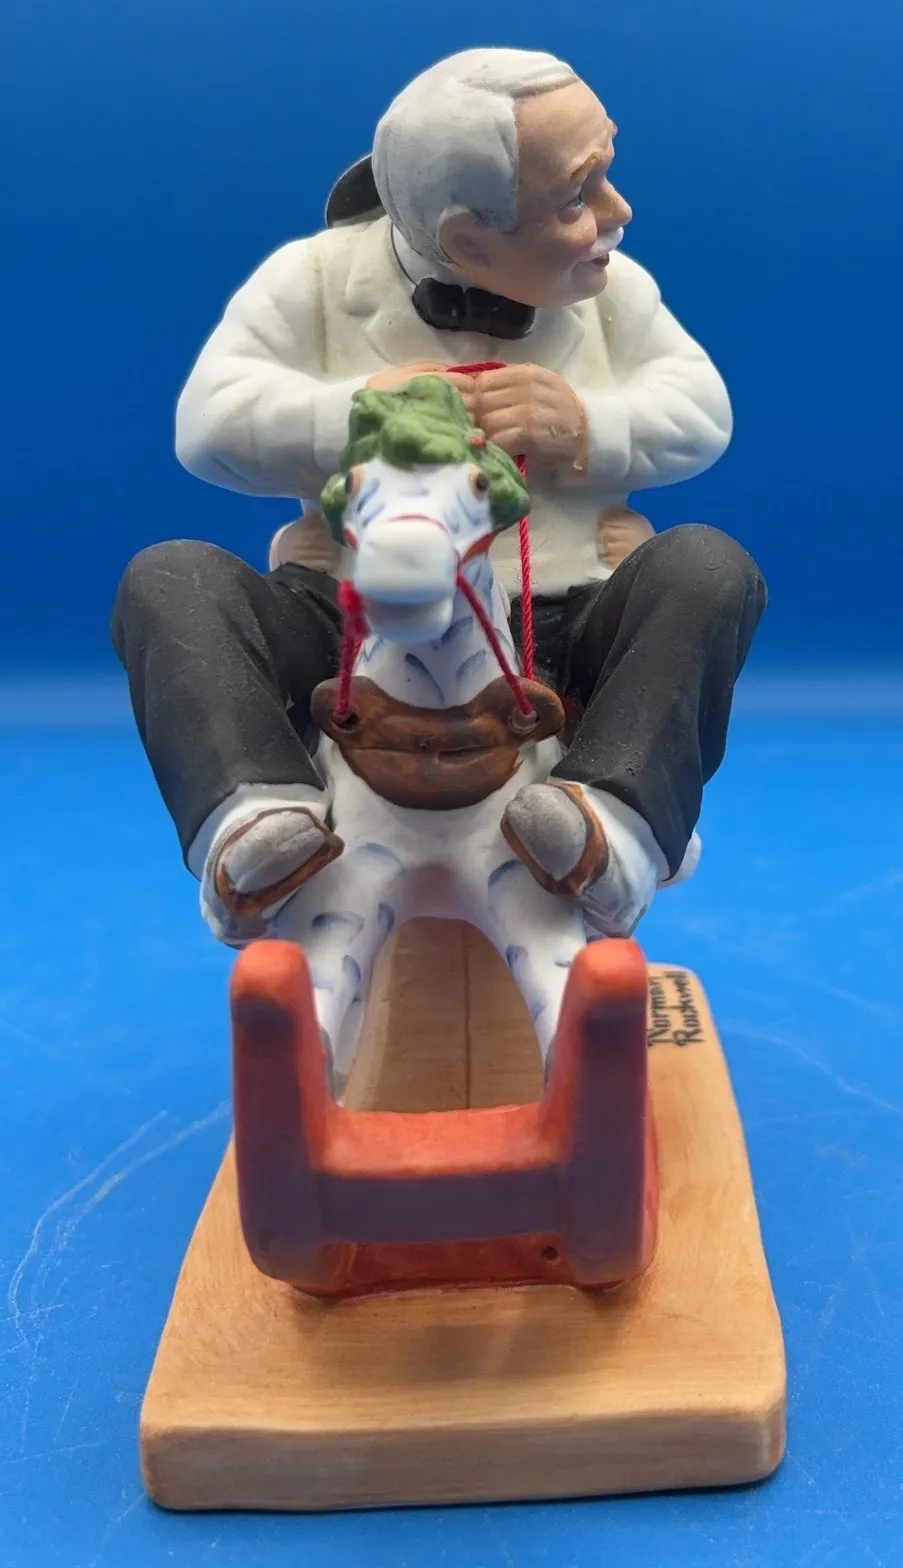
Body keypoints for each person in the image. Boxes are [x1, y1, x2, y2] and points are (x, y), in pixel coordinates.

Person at [112, 47, 765, 947]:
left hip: (565, 612)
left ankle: (615, 826)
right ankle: (256, 819)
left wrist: (584, 423)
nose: (618, 211)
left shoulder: (611, 289)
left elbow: (701, 409)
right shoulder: (312, 280)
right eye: (577, 196)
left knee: (708, 568)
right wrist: (358, 412)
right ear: (466, 242)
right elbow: (208, 423)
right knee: (169, 579)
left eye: (606, 174)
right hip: (354, 612)